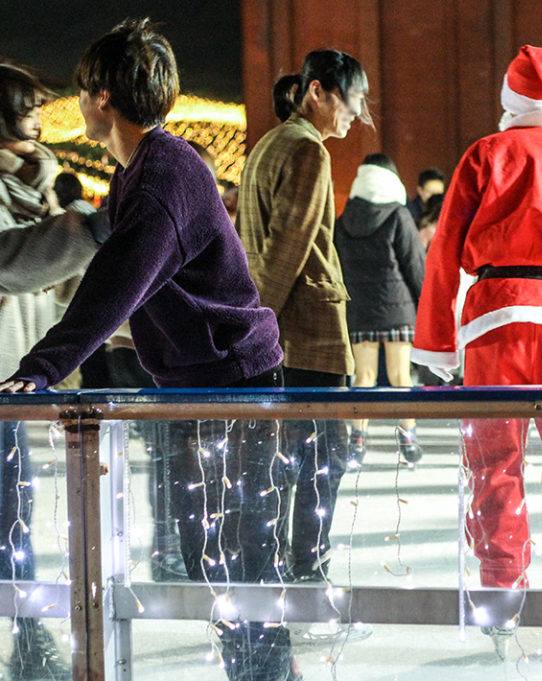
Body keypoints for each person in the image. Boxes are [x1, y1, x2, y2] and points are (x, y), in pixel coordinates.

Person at [0, 20, 293, 681]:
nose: (73, 106)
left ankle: (269, 673)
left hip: (234, 379)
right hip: (203, 380)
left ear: (101, 97)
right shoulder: (144, 172)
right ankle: (254, 667)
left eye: (79, 92)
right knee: (208, 551)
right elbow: (138, 291)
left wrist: (42, 367)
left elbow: (116, 282)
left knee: (236, 554)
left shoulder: (162, 175)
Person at [412, 44, 542, 659]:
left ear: (509, 103)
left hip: (494, 322)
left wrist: (437, 342)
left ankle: (501, 595)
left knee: (494, 458)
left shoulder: (485, 154)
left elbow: (445, 248)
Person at [235, 52, 369, 595]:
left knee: (279, 465)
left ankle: (270, 573)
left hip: (279, 335)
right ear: (320, 92)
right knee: (319, 463)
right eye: (353, 100)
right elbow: (286, 249)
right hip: (305, 335)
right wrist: (259, 326)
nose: (356, 115)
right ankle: (307, 576)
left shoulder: (268, 144)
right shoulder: (308, 151)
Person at [0, 61, 106, 681]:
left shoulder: (34, 183)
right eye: (25, 106)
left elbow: (53, 280)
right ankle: (29, 638)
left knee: (15, 511)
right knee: (10, 513)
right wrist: (89, 229)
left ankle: (27, 635)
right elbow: (11, 262)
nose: (38, 118)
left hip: (18, 376)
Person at [335, 153, 425, 465]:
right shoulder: (398, 214)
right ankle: (408, 441)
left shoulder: (343, 219)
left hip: (359, 307)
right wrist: (424, 301)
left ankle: (357, 441)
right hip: (397, 308)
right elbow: (414, 264)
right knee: (401, 376)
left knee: (364, 376)